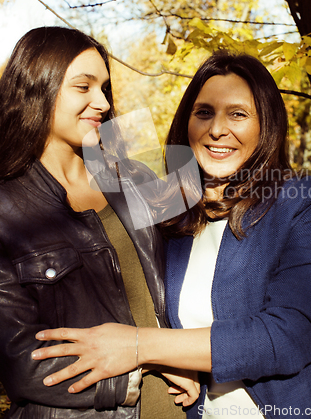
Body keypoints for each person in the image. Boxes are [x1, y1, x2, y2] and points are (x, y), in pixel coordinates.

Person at [30, 51, 311, 419]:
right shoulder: (170, 208)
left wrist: (140, 346)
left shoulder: (307, 202)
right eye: (204, 113)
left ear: (268, 125)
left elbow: (289, 337)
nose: (217, 129)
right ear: (187, 122)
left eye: (238, 114)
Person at [0, 26, 199, 419]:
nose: (103, 103)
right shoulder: (6, 208)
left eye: (104, 88)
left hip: (182, 409)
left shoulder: (132, 176)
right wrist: (148, 359)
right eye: (83, 87)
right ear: (37, 89)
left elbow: (211, 224)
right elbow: (20, 359)